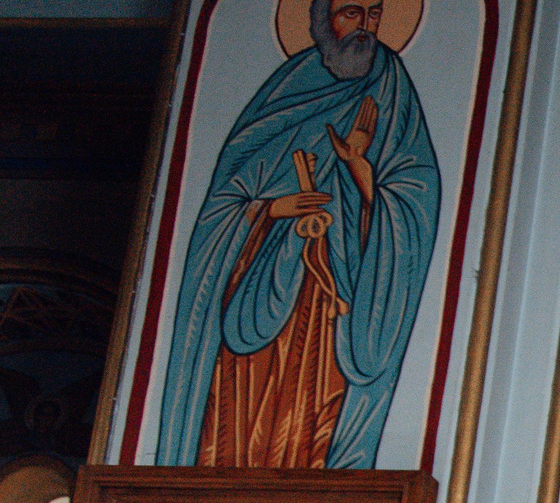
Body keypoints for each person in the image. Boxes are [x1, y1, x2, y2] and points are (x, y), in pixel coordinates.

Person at [154, 0, 441, 469]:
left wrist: (356, 165)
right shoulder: (288, 87)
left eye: (374, 13)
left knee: (314, 408)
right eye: (351, 12)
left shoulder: (390, 88)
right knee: (240, 413)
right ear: (320, 19)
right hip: (259, 282)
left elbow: (413, 199)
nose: (365, 27)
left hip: (338, 295)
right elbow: (226, 200)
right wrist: (272, 209)